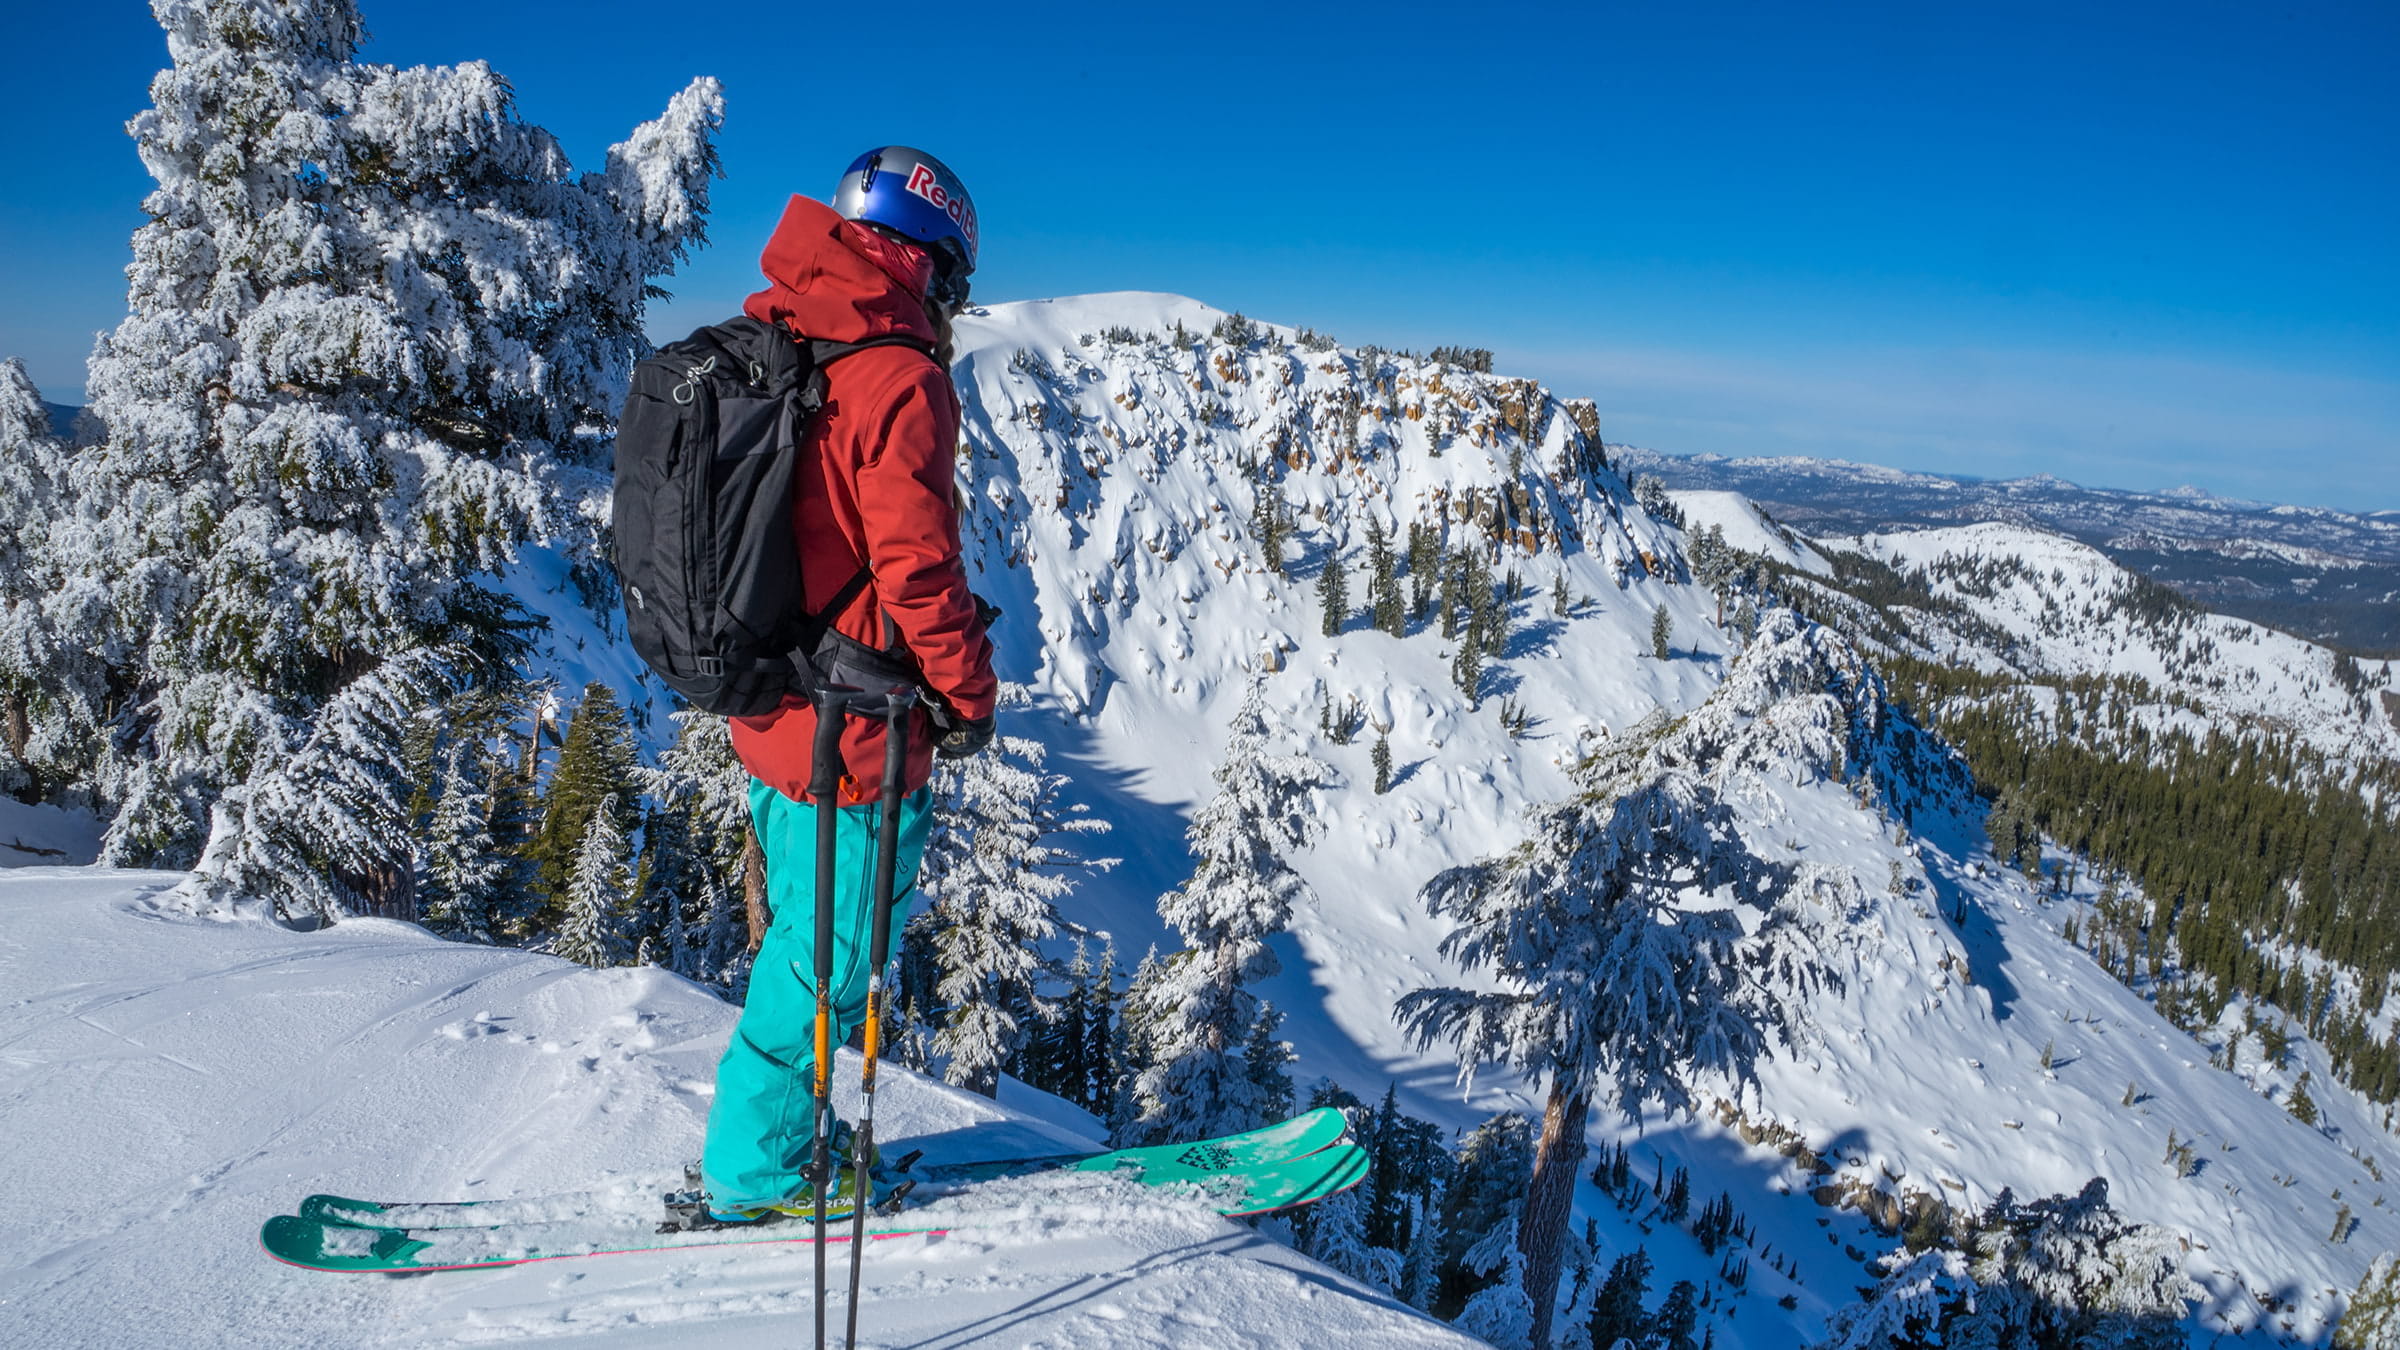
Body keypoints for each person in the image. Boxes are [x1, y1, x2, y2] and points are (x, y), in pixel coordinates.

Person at [701, 147, 998, 1222]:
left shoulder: (787, 331)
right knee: (828, 961)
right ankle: (760, 1173)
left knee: (803, 939)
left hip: (774, 711)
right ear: (932, 258)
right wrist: (968, 694)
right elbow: (919, 570)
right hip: (855, 733)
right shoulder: (897, 374)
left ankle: (780, 1139)